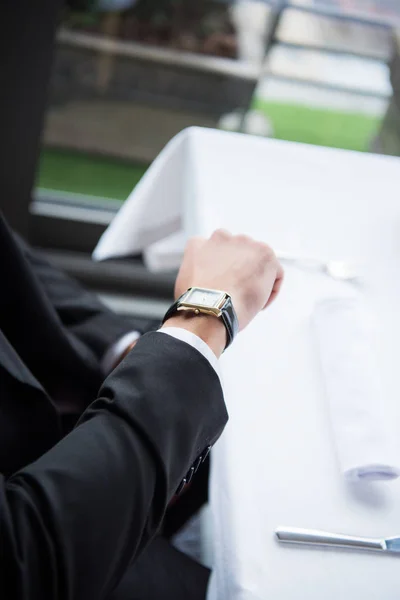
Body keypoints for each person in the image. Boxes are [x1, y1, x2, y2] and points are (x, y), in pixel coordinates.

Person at [0, 211, 283, 599]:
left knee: (260, 416)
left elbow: (10, 259)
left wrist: (123, 350)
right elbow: (26, 563)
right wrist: (203, 317)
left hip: (57, 417)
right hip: (47, 544)